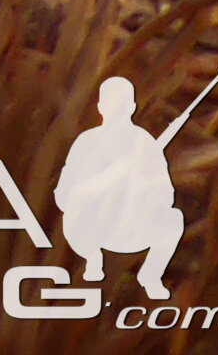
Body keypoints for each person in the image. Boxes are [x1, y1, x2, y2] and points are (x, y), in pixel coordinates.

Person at [56, 74, 184, 301]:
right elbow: (65, 196)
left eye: (122, 104)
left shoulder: (144, 143)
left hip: (130, 225)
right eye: (112, 103)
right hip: (89, 230)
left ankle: (151, 276)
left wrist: (143, 190)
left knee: (173, 220)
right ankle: (92, 261)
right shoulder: (87, 141)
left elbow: (165, 192)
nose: (117, 110)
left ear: (132, 107)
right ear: (101, 107)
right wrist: (103, 184)